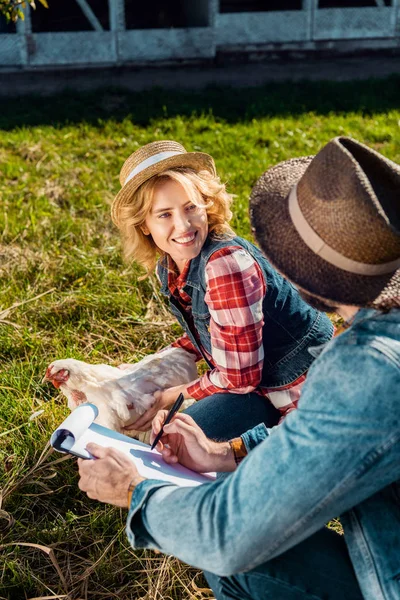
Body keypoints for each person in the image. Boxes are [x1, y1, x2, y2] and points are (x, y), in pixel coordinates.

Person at [78, 136, 400, 599]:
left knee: (226, 558)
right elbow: (334, 432)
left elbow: (227, 534)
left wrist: (136, 489)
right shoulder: (370, 355)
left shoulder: (361, 371)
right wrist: (225, 454)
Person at [111, 140, 333, 440]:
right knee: (169, 438)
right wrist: (147, 368)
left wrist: (171, 395)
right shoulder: (172, 263)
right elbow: (215, 330)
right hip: (256, 387)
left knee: (173, 441)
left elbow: (239, 379)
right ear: (144, 225)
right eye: (164, 214)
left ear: (207, 205)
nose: (183, 225)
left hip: (298, 391)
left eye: (191, 207)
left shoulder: (225, 265)